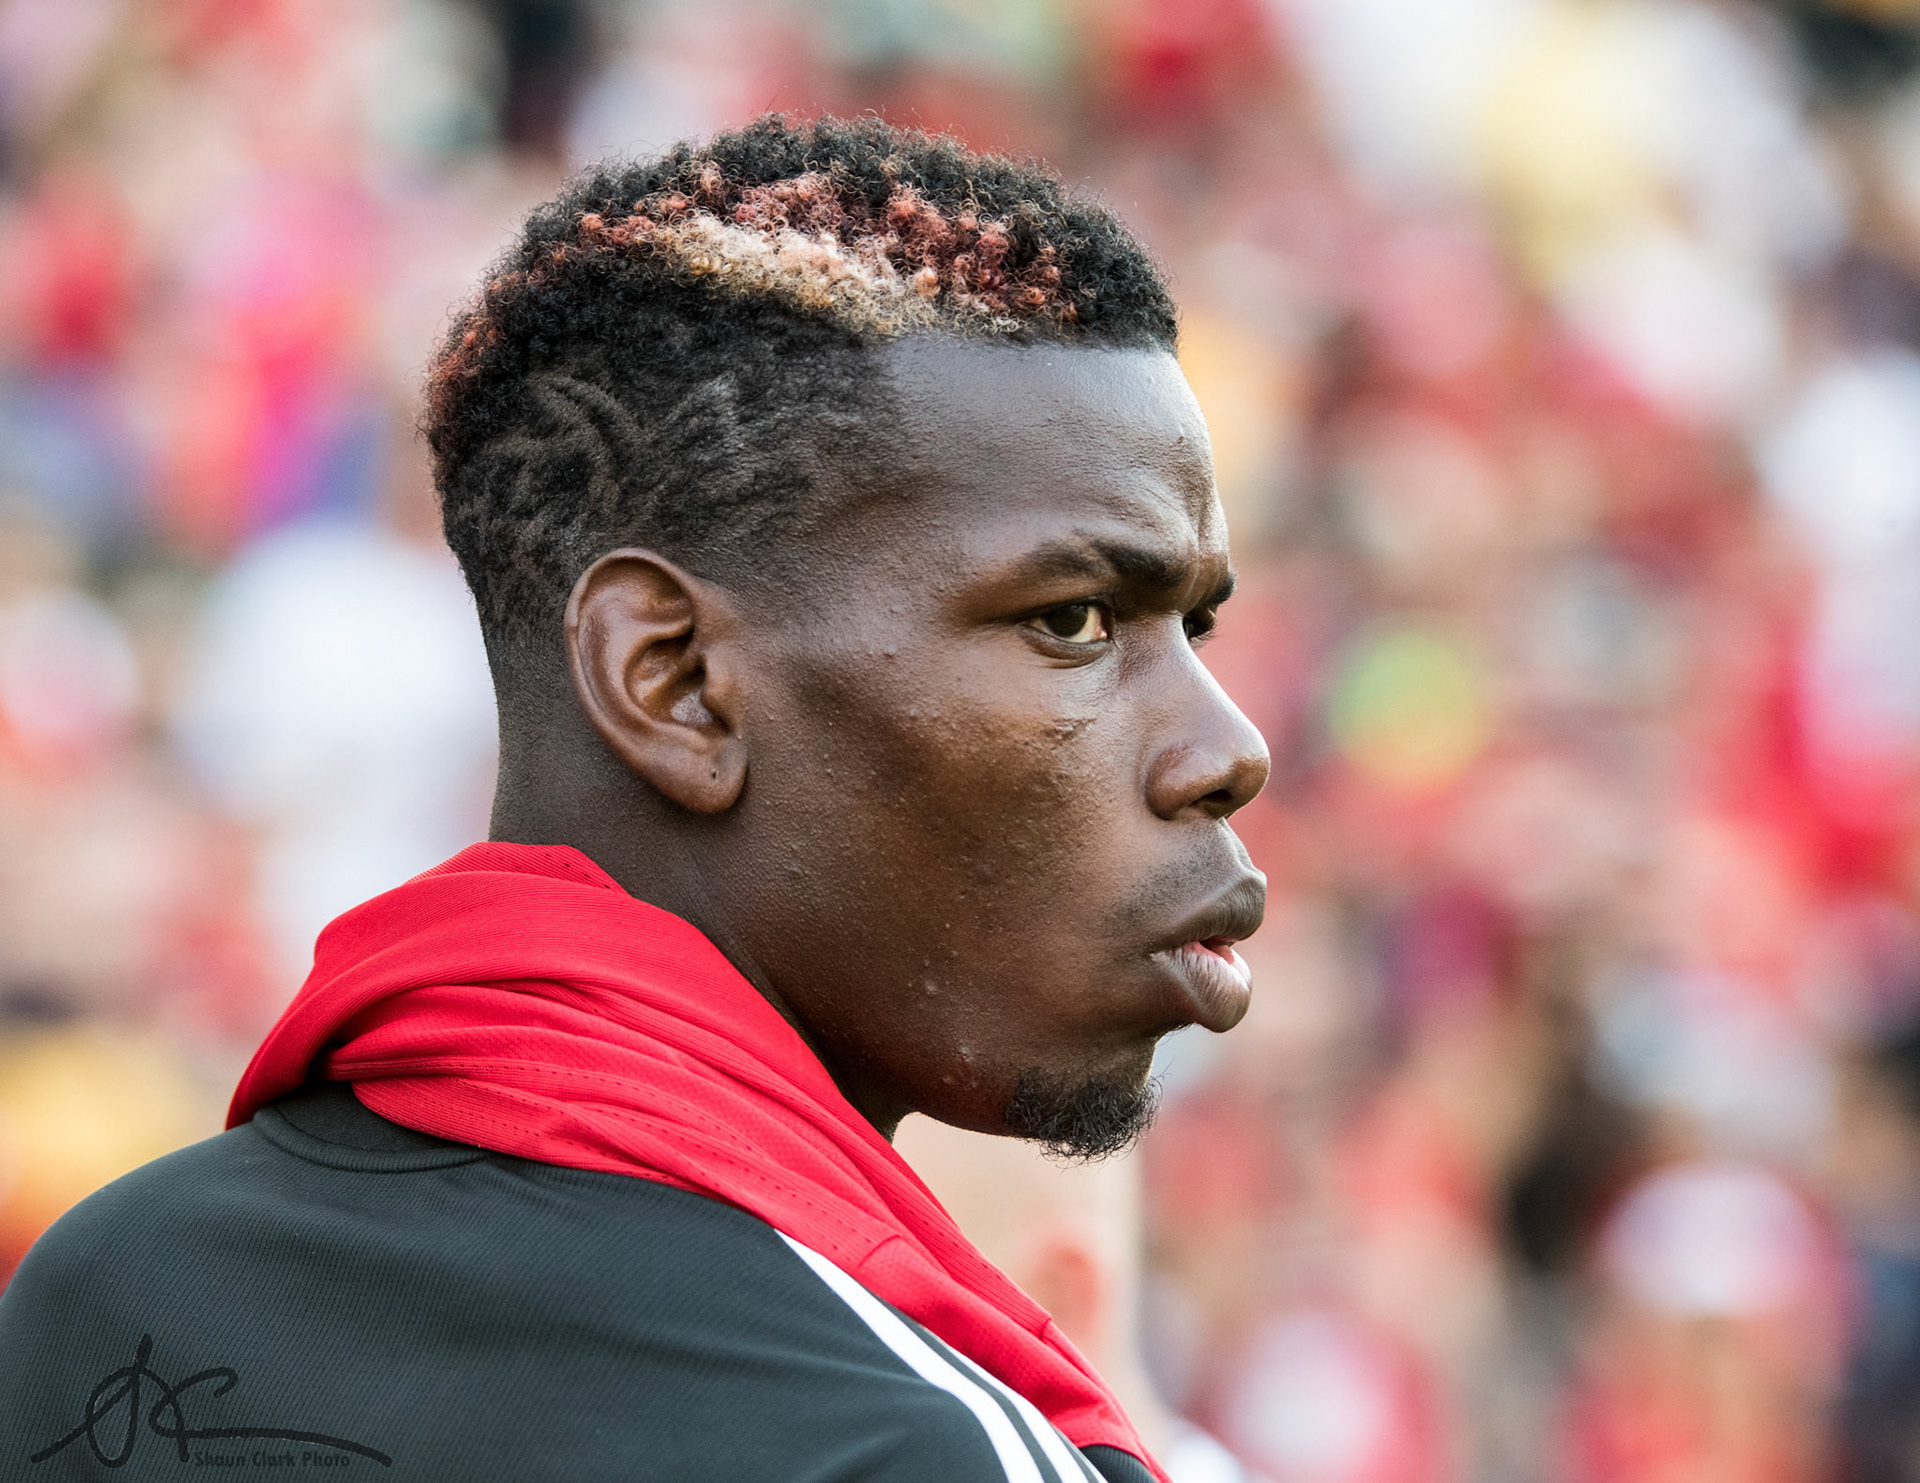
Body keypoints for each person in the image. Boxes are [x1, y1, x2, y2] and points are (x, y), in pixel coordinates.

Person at [0, 115, 1268, 1482]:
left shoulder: (101, 1294)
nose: (1227, 748)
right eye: (1074, 619)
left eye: (1195, 630)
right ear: (673, 681)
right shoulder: (911, 1444)